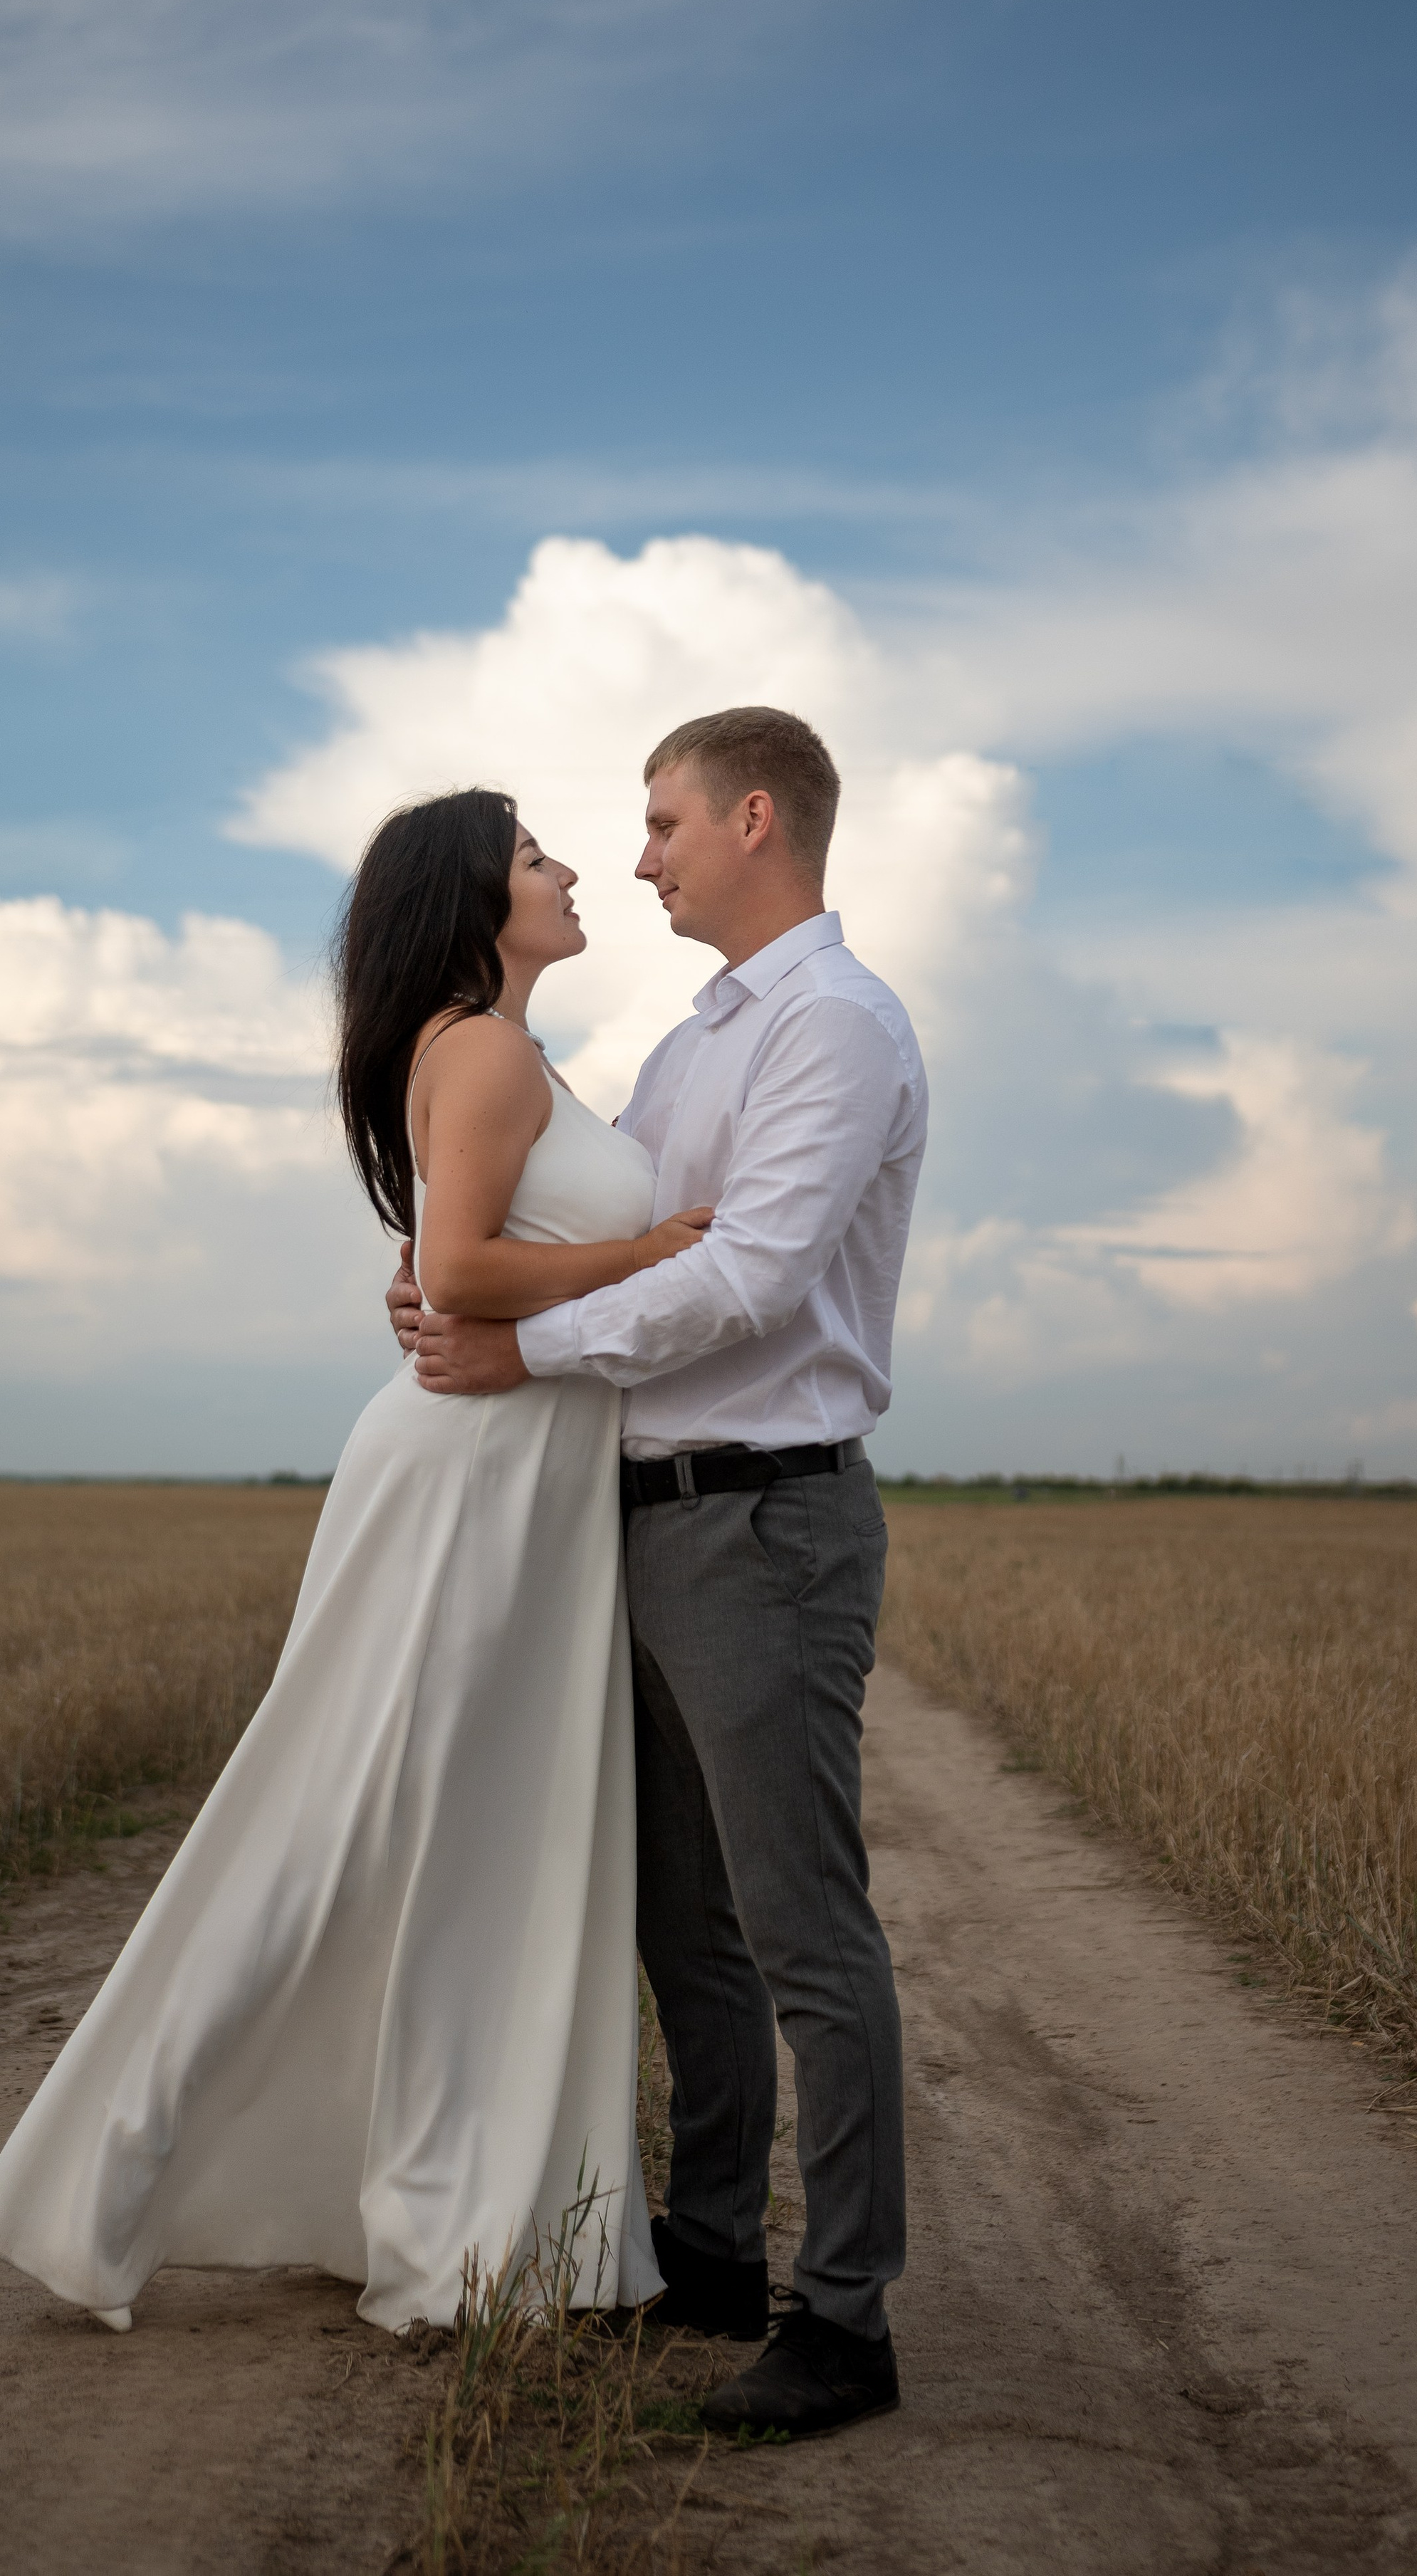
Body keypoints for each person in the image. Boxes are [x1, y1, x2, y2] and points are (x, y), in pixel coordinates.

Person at [0, 789, 713, 2335]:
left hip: (517, 1480)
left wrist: (574, 1276)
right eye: (532, 856)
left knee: (467, 1842)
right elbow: (456, 1272)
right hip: (471, 1479)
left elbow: (452, 1265)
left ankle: (454, 2196)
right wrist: (649, 1253)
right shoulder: (484, 1046)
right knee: (345, 1826)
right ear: (469, 898)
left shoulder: (498, 1049)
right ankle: (99, 2179)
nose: (570, 870)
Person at [389, 707, 928, 2440]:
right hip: (639, 1515)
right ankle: (710, 2254)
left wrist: (518, 1355)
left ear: (753, 819)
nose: (636, 856)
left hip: (765, 1519)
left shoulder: (835, 1027)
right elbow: (580, 1246)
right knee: (678, 1927)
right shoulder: (701, 1039)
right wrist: (442, 1294)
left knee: (798, 1933)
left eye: (662, 823)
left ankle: (842, 2319)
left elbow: (751, 1278)